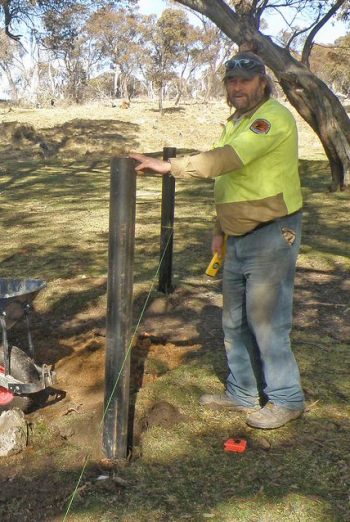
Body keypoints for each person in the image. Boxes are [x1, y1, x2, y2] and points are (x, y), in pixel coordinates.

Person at [130, 51, 304, 429]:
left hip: (272, 232)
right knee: (234, 320)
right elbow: (232, 183)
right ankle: (241, 392)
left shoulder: (271, 118)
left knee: (267, 320)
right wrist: (219, 231)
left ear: (262, 81)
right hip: (238, 234)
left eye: (246, 79)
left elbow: (226, 162)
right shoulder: (236, 122)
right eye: (232, 80)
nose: (238, 86)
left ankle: (287, 398)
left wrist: (170, 167)